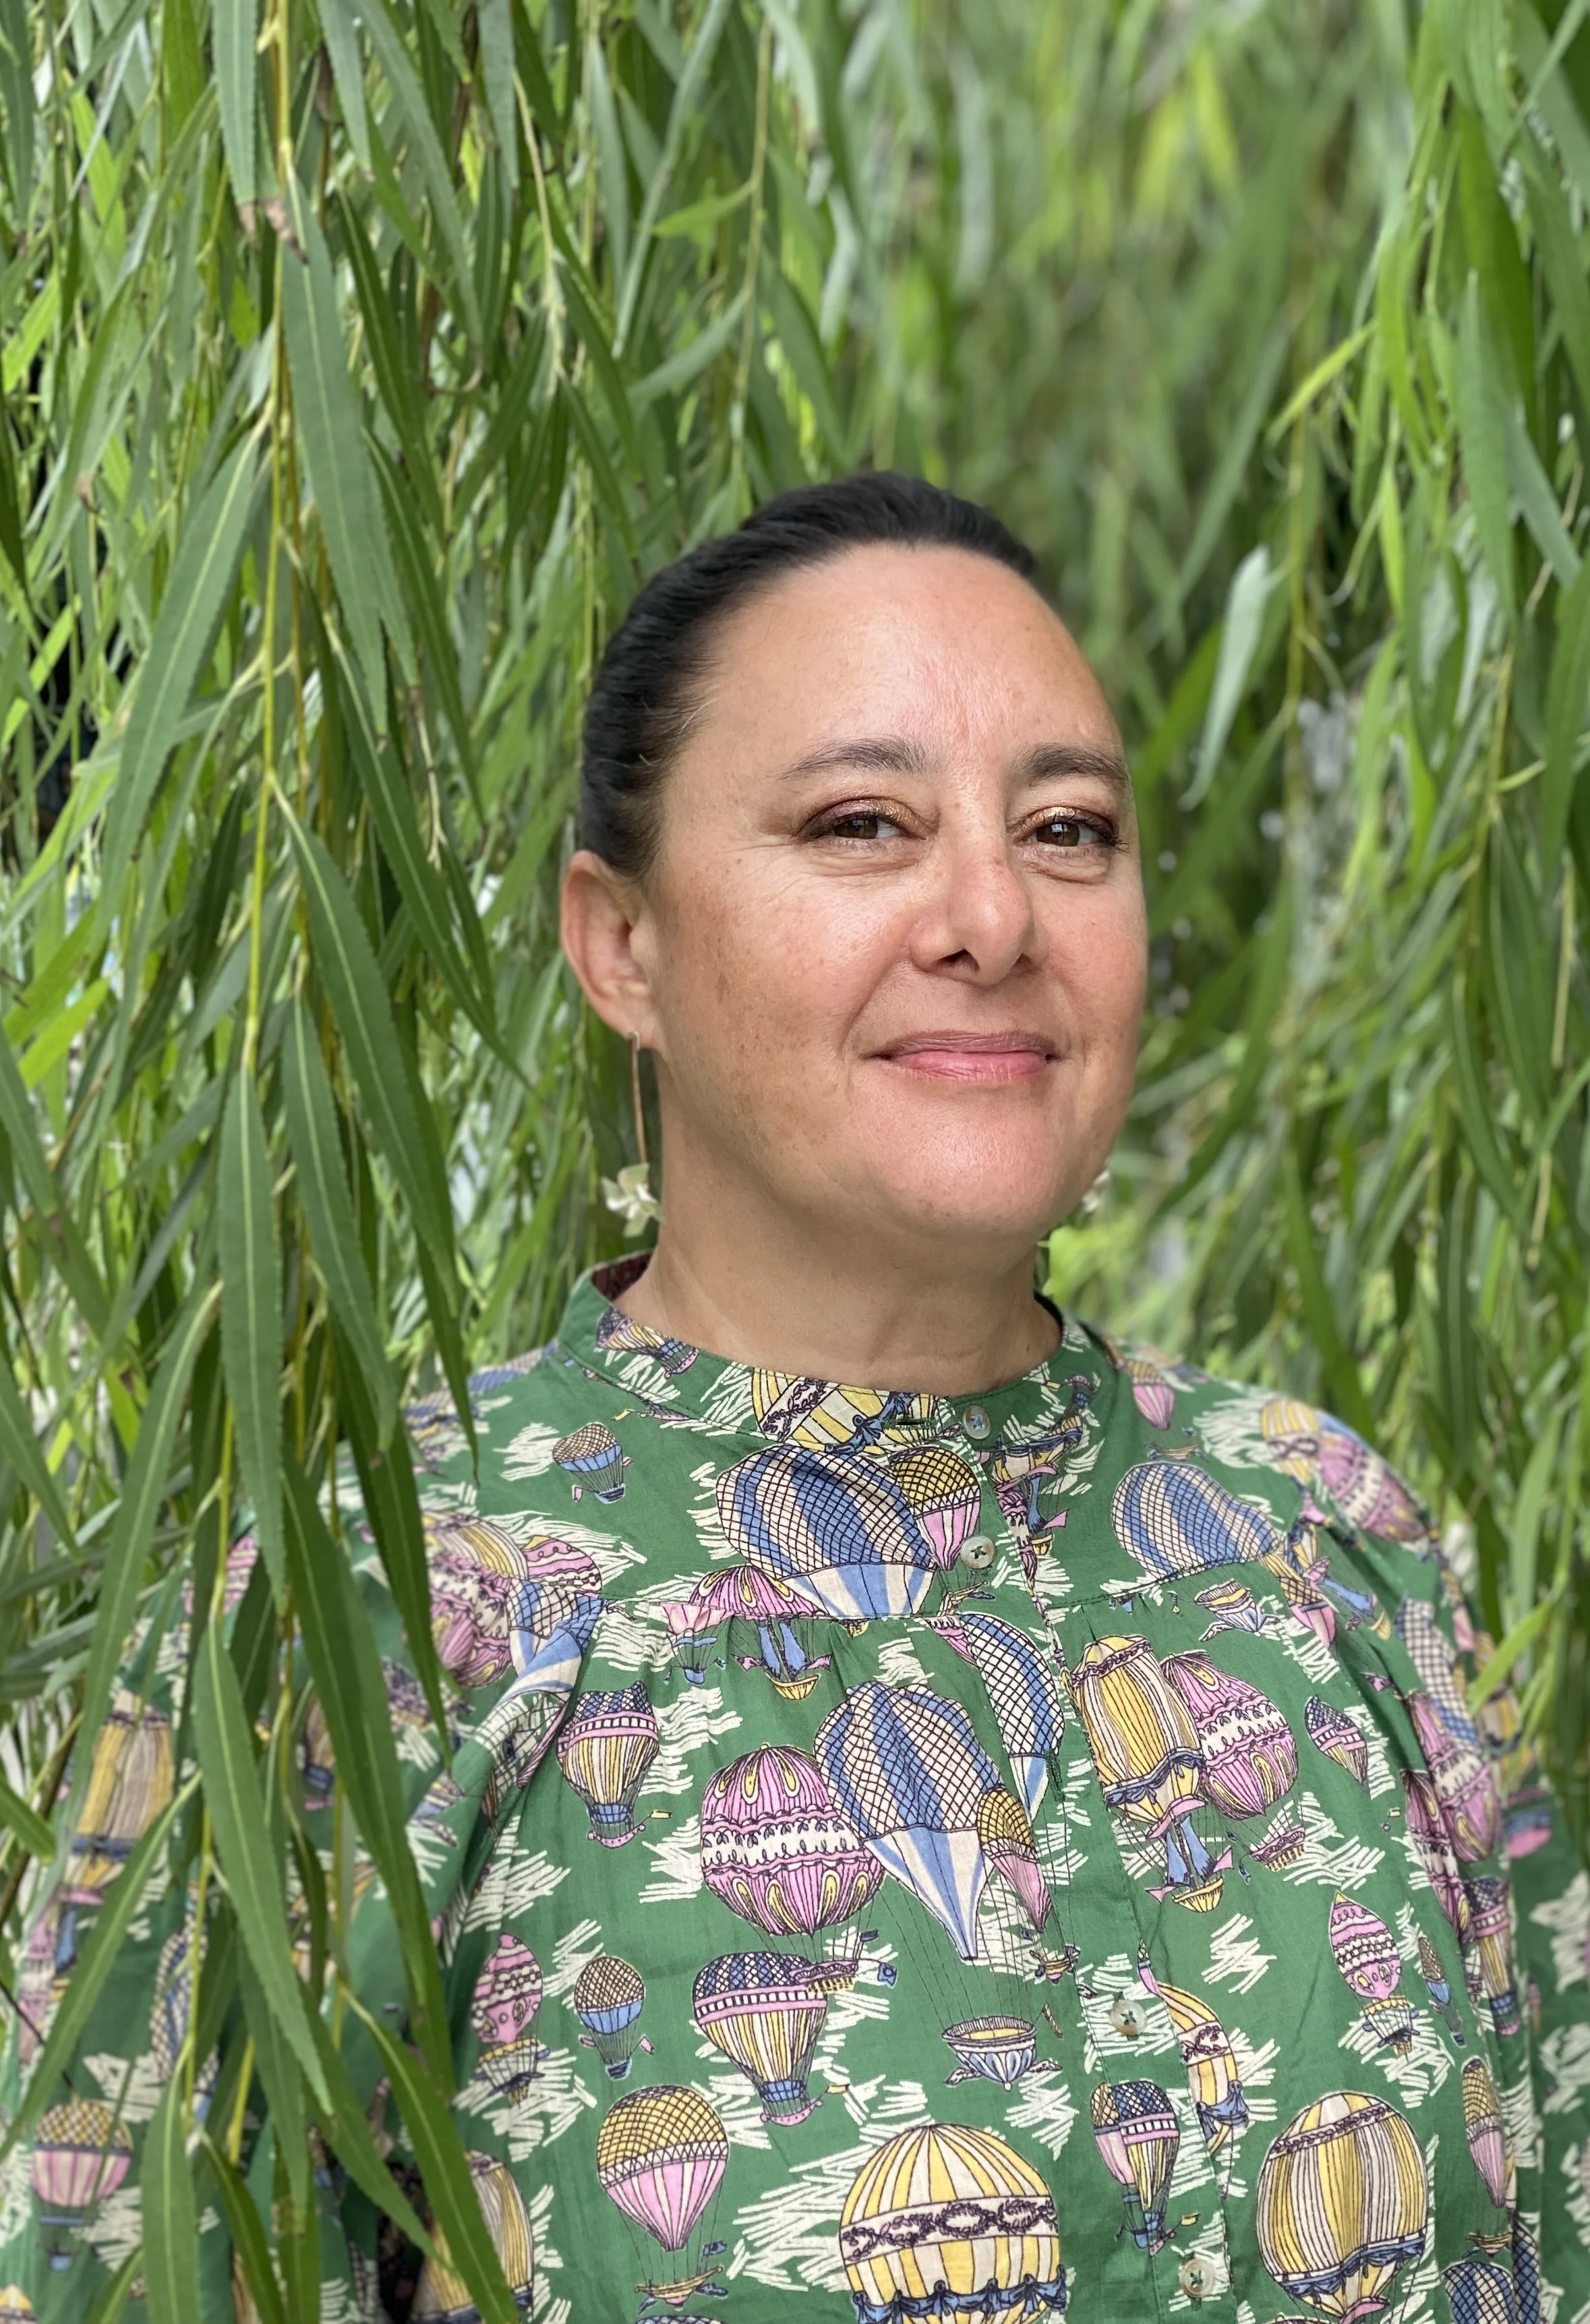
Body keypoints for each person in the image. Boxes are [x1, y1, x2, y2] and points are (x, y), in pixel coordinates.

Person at [3, 473, 1585, 2323]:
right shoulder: (382, 1602)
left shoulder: (1320, 1529)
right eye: (860, 823)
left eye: (1069, 830)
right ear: (622, 945)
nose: (991, 913)